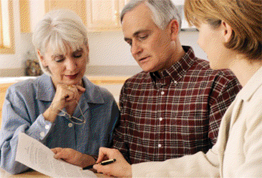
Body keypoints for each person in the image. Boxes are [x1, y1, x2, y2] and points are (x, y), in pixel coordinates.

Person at [52, 0, 242, 170]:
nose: (135, 50)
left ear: (173, 29)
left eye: (142, 36)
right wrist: (85, 160)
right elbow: (119, 159)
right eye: (129, 42)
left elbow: (225, 165)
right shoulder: (132, 88)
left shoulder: (218, 82)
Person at [91, 0, 262, 177]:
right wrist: (129, 171)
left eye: (199, 28)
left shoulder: (231, 88)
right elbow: (215, 161)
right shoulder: (131, 88)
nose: (199, 41)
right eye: (129, 42)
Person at [0, 9, 119, 174]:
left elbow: (119, 163)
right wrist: (51, 111)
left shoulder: (105, 102)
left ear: (87, 49)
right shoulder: (20, 96)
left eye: (77, 55)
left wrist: (88, 161)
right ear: (42, 58)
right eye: (59, 59)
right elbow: (8, 163)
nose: (71, 67)